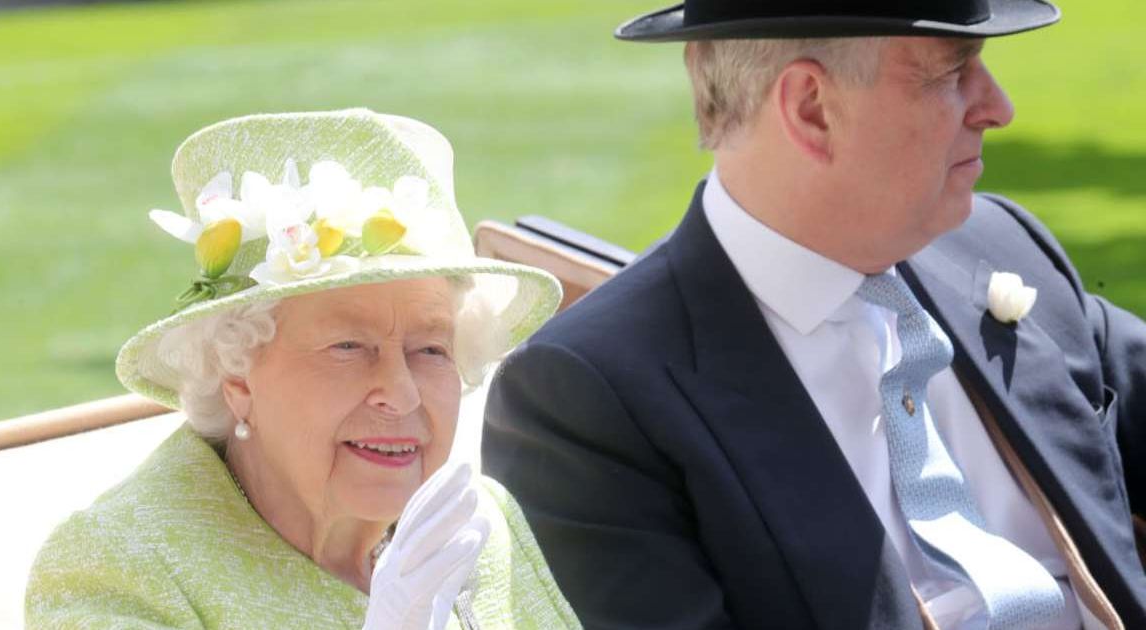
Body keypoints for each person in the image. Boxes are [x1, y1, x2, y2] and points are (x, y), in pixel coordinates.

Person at [483, 1, 1146, 628]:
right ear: (811, 110)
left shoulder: (1003, 249)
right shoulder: (588, 406)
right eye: (952, 71)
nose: (997, 107)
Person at [25, 109, 581, 629]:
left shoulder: (478, 522)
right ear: (236, 375)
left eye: (430, 349)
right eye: (348, 346)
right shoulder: (120, 568)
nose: (401, 393)